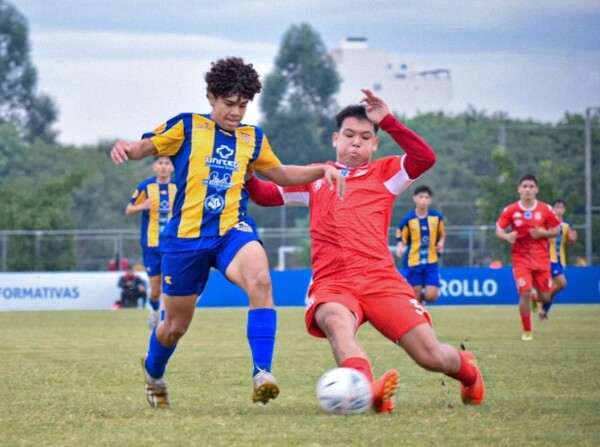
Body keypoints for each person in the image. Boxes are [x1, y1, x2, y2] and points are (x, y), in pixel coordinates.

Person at [110, 56, 345, 409]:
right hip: (186, 239)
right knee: (174, 326)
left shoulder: (253, 138)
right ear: (211, 98)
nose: (236, 112)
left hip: (231, 230)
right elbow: (145, 147)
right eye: (229, 104)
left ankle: (262, 373)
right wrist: (127, 149)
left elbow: (279, 174)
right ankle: (153, 372)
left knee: (261, 282)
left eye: (243, 104)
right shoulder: (187, 127)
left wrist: (320, 169)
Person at [245, 88, 485, 413]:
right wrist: (245, 169)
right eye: (348, 135)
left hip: (381, 280)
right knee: (333, 320)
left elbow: (425, 158)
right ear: (335, 138)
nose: (355, 142)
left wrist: (388, 119)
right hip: (334, 284)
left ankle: (468, 372)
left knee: (431, 357)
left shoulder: (386, 174)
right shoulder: (315, 177)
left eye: (364, 136)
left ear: (375, 143)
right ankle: (368, 389)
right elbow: (263, 194)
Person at [495, 174, 561, 341]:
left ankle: (534, 297)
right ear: (519, 189)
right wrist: (507, 237)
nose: (528, 190)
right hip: (520, 259)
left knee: (545, 297)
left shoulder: (545, 209)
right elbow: (498, 230)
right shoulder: (510, 210)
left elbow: (557, 229)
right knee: (524, 292)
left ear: (536, 190)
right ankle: (527, 331)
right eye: (524, 186)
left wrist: (543, 233)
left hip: (542, 259)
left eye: (531, 186)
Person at [126, 156, 176, 329]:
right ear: (154, 167)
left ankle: (165, 321)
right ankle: (154, 311)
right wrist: (142, 206)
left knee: (168, 285)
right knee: (155, 289)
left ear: (172, 167)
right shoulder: (145, 187)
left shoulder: (178, 187)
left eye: (167, 163)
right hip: (151, 244)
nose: (163, 166)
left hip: (172, 244)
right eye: (160, 163)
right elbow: (129, 209)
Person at [395, 185, 445, 304]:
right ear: (414, 198)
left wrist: (441, 243)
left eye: (427, 197)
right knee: (415, 298)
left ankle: (424, 296)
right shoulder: (408, 219)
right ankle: (420, 303)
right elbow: (401, 236)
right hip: (413, 262)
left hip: (431, 261)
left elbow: (442, 234)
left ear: (430, 200)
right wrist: (400, 247)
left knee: (432, 296)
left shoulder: (436, 217)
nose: (424, 200)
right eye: (421, 197)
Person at [539, 199, 577, 320]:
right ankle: (540, 303)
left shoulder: (565, 226)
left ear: (564, 210)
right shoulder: (547, 223)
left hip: (561, 260)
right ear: (553, 209)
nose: (559, 210)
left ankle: (544, 311)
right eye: (557, 207)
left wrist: (573, 239)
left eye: (562, 207)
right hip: (549, 259)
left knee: (555, 288)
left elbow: (570, 240)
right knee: (562, 283)